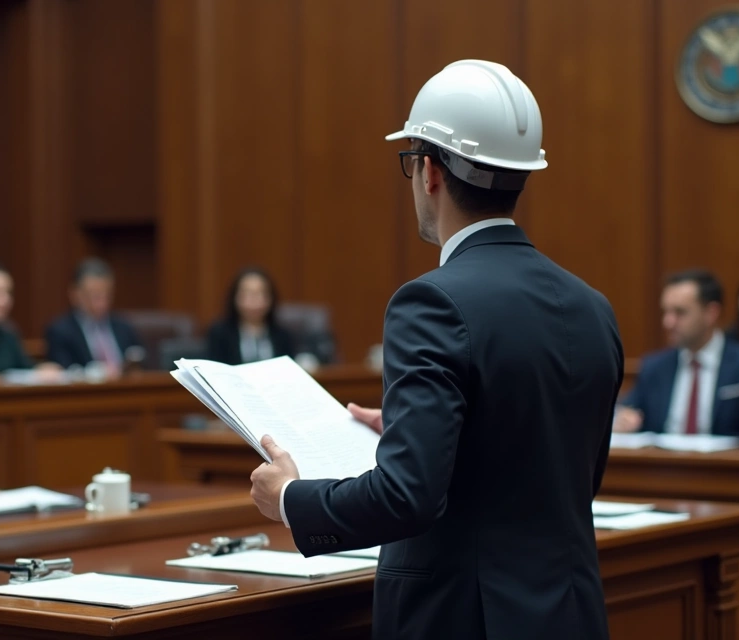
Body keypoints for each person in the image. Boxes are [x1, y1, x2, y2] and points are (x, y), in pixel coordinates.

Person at [248, 60, 622, 640]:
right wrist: (415, 429)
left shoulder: (432, 301)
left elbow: (406, 497)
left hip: (466, 618)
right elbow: (566, 473)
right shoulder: (592, 306)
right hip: (569, 614)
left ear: (427, 172)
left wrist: (293, 499)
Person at [614, 269, 739, 442]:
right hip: (663, 465)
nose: (668, 322)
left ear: (711, 313)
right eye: (665, 312)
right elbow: (628, 411)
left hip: (723, 466)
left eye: (680, 312)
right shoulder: (654, 367)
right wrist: (623, 420)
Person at [45, 258, 142, 375]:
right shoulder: (60, 332)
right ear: (74, 294)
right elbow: (63, 372)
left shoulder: (124, 327)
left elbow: (142, 364)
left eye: (106, 295)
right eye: (94, 296)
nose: (101, 303)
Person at [206, 267, 295, 365]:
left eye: (260, 294)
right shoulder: (219, 333)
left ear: (271, 298)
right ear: (235, 297)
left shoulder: (283, 335)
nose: (254, 301)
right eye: (247, 294)